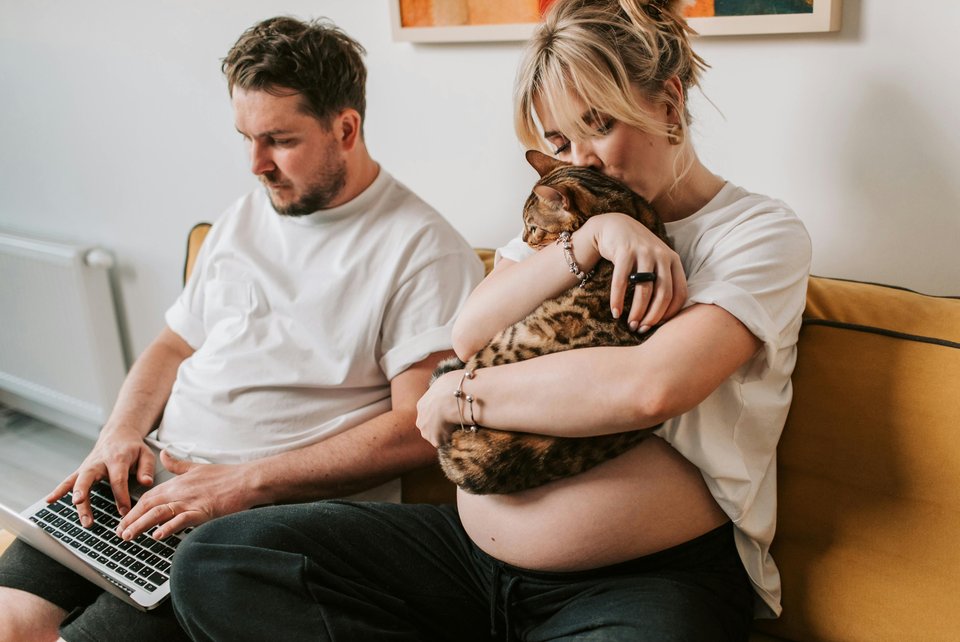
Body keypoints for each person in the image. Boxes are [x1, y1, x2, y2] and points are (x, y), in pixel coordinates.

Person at [172, 0, 812, 640]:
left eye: (598, 125)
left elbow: (651, 387)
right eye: (558, 142)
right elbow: (471, 332)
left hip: (644, 578)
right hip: (469, 561)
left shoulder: (756, 233)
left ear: (669, 102)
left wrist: (458, 394)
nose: (578, 160)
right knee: (221, 560)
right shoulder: (564, 224)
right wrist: (590, 240)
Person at [0, 16, 483, 642]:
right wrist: (117, 436)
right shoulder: (246, 214)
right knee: (9, 621)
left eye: (279, 140)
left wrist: (244, 481)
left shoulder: (423, 249)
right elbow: (174, 344)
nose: (256, 164)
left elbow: (419, 429)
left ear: (345, 128)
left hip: (248, 522)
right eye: (246, 138)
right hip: (152, 483)